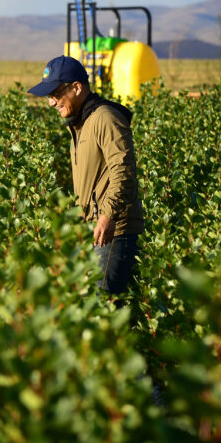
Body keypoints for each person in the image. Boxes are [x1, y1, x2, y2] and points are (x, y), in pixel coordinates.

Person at [28, 55, 144, 295]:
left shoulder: (105, 118)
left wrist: (108, 215)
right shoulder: (82, 122)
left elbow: (124, 171)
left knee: (104, 310)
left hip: (114, 231)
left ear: (77, 87)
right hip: (97, 230)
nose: (51, 102)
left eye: (55, 94)